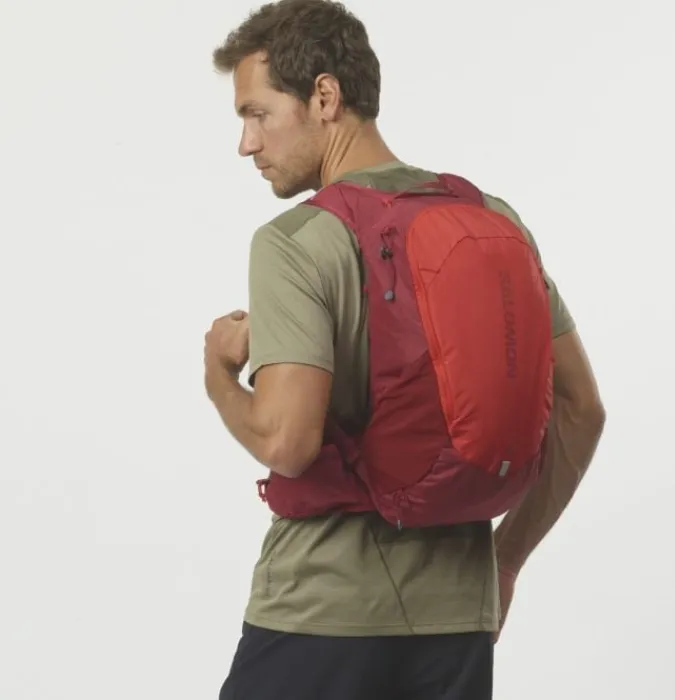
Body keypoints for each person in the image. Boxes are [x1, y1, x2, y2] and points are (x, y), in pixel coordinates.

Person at [203, 1, 606, 698]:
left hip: (320, 613)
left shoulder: (296, 243)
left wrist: (218, 373)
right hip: (457, 626)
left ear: (324, 96)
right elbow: (582, 409)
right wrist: (505, 562)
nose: (246, 142)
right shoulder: (492, 219)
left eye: (258, 113)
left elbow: (287, 442)